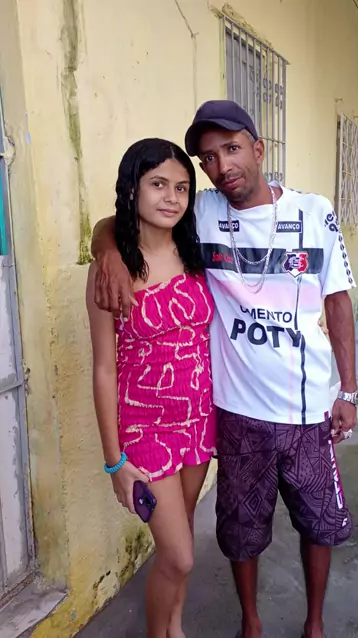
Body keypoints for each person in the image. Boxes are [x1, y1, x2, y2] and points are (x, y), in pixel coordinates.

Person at [91, 102, 358, 638]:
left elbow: (337, 302)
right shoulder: (202, 213)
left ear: (258, 149)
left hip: (296, 408)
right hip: (232, 413)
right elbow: (118, 221)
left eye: (232, 149)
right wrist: (108, 253)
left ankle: (314, 625)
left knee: (320, 523)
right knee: (235, 531)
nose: (221, 165)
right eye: (208, 158)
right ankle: (249, 625)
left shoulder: (312, 211)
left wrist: (348, 389)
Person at [85, 138, 216, 638]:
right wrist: (114, 462)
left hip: (198, 422)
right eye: (158, 184)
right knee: (179, 557)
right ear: (132, 188)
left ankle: (173, 627)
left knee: (178, 544)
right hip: (146, 431)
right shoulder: (112, 268)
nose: (171, 197)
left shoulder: (194, 251)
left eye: (181, 187)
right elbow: (103, 369)